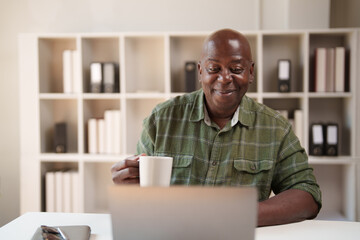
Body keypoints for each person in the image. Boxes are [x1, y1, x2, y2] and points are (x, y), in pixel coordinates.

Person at [111, 28, 321, 227]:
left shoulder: (276, 128)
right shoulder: (162, 119)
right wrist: (127, 185)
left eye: (236, 69)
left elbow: (307, 195)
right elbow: (140, 198)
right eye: (214, 69)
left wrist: (241, 215)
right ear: (200, 71)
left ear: (251, 72)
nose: (225, 78)